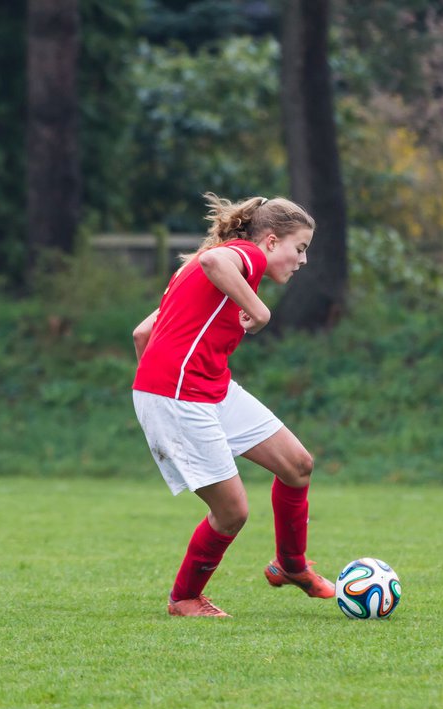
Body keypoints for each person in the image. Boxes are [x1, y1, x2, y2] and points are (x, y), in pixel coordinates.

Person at [131, 193, 334, 617]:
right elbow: (214, 264)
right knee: (231, 512)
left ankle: (291, 566)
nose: (303, 260)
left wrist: (154, 383)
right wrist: (260, 312)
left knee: (297, 465)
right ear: (272, 241)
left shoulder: (214, 265)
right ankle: (184, 598)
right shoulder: (242, 255)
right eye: (301, 248)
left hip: (209, 388)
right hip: (180, 394)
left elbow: (142, 332)